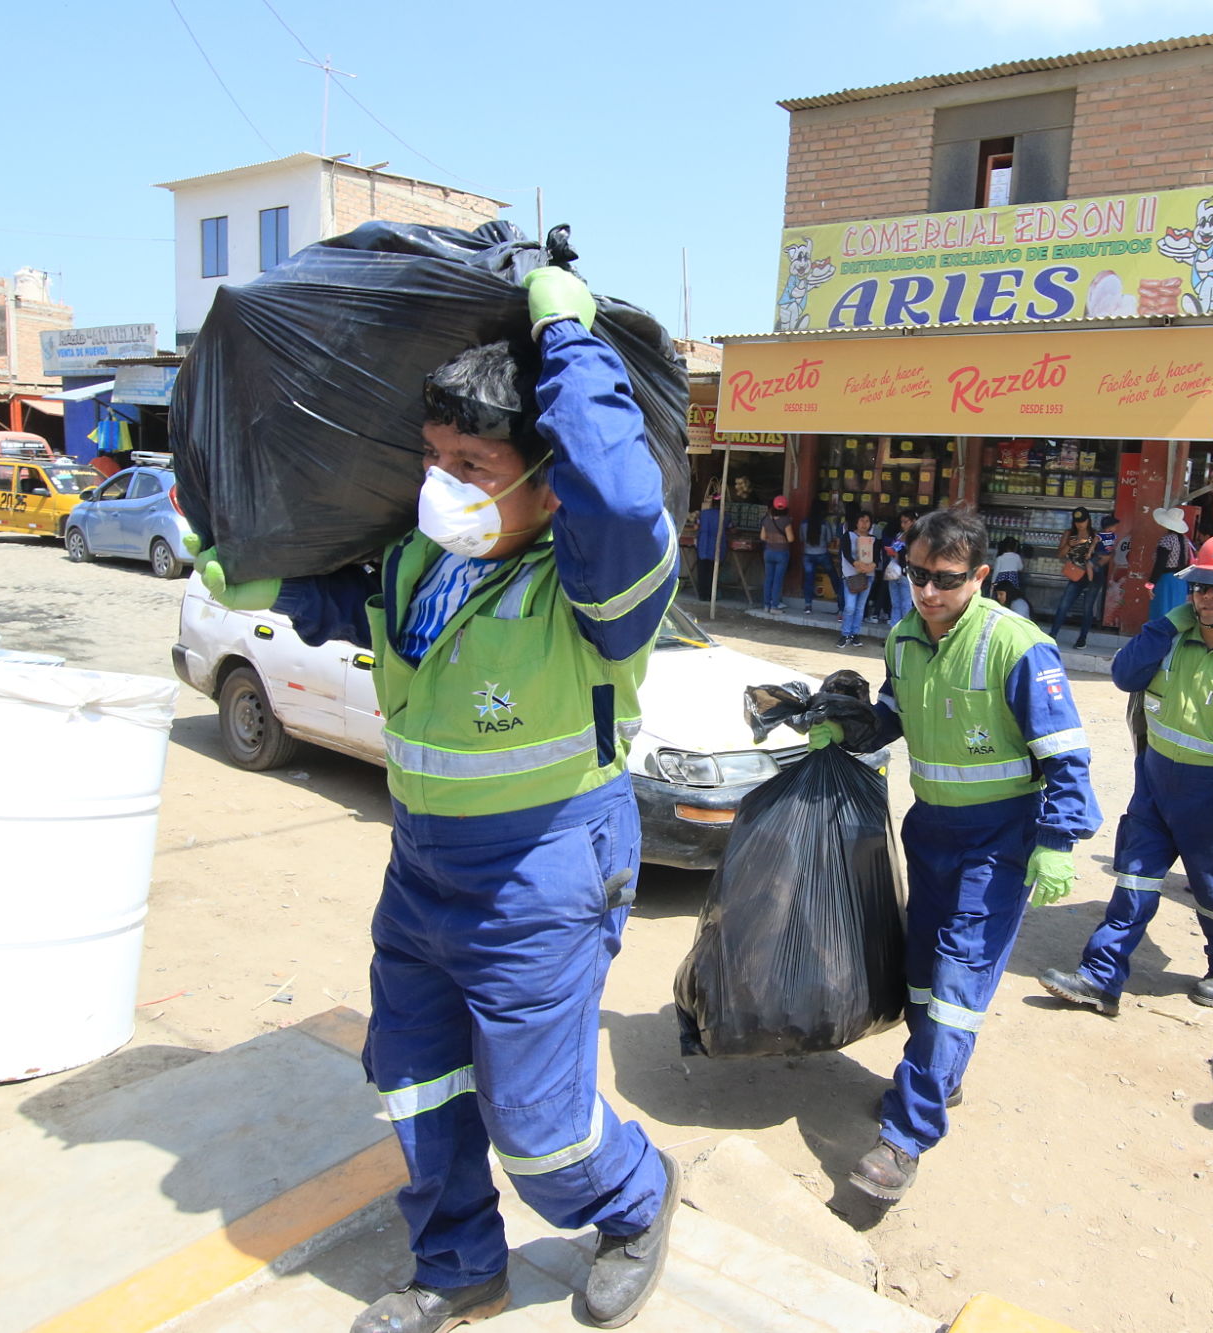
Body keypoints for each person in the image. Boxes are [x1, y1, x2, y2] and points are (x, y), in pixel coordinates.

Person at [195, 269, 679, 1332]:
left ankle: (633, 1201)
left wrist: (567, 338)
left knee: (539, 1124)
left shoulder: (595, 589)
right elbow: (361, 607)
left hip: (543, 873)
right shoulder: (423, 557)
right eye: (432, 458)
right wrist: (261, 584)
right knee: (415, 1079)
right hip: (420, 867)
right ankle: (460, 1263)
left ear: (546, 486)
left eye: (473, 466)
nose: (441, 483)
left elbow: (624, 494)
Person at [819, 508, 1099, 1201]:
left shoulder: (1019, 647)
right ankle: (939, 1070)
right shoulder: (906, 636)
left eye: (944, 580)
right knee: (920, 971)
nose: (926, 592)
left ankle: (905, 1136)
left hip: (1000, 842)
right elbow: (896, 712)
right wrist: (847, 728)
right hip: (932, 831)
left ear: (979, 575)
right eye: (916, 574)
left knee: (956, 977)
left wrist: (1059, 840)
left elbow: (1067, 756)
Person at [1037, 532, 1213, 1011]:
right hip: (1156, 789)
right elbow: (1123, 676)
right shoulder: (1171, 640)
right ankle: (1099, 977)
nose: (1206, 598)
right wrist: (1165, 625)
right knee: (1133, 884)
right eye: (1200, 587)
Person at [1047, 507, 1101, 649]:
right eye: (1077, 522)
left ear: (1088, 520)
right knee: (1064, 605)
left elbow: (1103, 555)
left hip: (1092, 576)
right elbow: (1059, 554)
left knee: (1087, 608)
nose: (1080, 525)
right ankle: (1052, 634)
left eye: (1082, 521)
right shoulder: (1069, 534)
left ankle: (1082, 639)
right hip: (1076, 574)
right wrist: (1070, 544)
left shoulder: (1095, 534)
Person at [838, 510, 877, 647]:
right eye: (861, 520)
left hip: (868, 577)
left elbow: (877, 557)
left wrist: (872, 565)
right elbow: (846, 553)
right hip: (851, 576)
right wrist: (857, 564)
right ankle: (845, 634)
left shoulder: (873, 538)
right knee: (849, 607)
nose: (864, 524)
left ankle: (855, 634)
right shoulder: (847, 536)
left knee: (860, 608)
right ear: (856, 521)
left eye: (867, 521)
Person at [1148, 507, 1194, 618]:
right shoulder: (1185, 540)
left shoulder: (1166, 540)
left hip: (1166, 581)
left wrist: (1150, 583)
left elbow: (1160, 564)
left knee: (1161, 611)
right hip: (1181, 581)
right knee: (1176, 614)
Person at [801, 504, 844, 616]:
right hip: (822, 554)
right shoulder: (825, 523)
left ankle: (808, 606)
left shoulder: (804, 523)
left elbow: (801, 538)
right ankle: (841, 605)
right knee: (833, 576)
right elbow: (829, 539)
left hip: (808, 555)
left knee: (809, 579)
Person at [760, 495, 792, 615]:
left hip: (768, 552)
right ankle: (774, 606)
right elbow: (791, 538)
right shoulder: (786, 521)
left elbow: (762, 537)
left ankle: (766, 605)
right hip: (781, 553)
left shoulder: (766, 520)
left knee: (768, 579)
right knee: (777, 580)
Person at [883, 511, 916, 628]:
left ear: (913, 522)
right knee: (895, 604)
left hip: (906, 573)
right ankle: (893, 633)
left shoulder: (916, 538)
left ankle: (905, 634)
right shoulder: (899, 535)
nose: (903, 525)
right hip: (894, 571)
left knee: (906, 605)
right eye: (901, 522)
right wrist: (892, 552)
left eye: (906, 522)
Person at [693, 485, 725, 603]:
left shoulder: (704, 513)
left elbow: (696, 526)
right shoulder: (724, 516)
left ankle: (702, 595)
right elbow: (733, 529)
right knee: (713, 573)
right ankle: (711, 595)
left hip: (703, 546)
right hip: (716, 547)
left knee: (702, 572)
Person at [990, 536, 1025, 603]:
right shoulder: (1017, 557)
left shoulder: (1000, 558)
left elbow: (996, 572)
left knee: (1000, 598)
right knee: (1012, 597)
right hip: (1013, 578)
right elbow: (1020, 568)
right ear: (1015, 547)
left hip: (1001, 579)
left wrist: (992, 585)